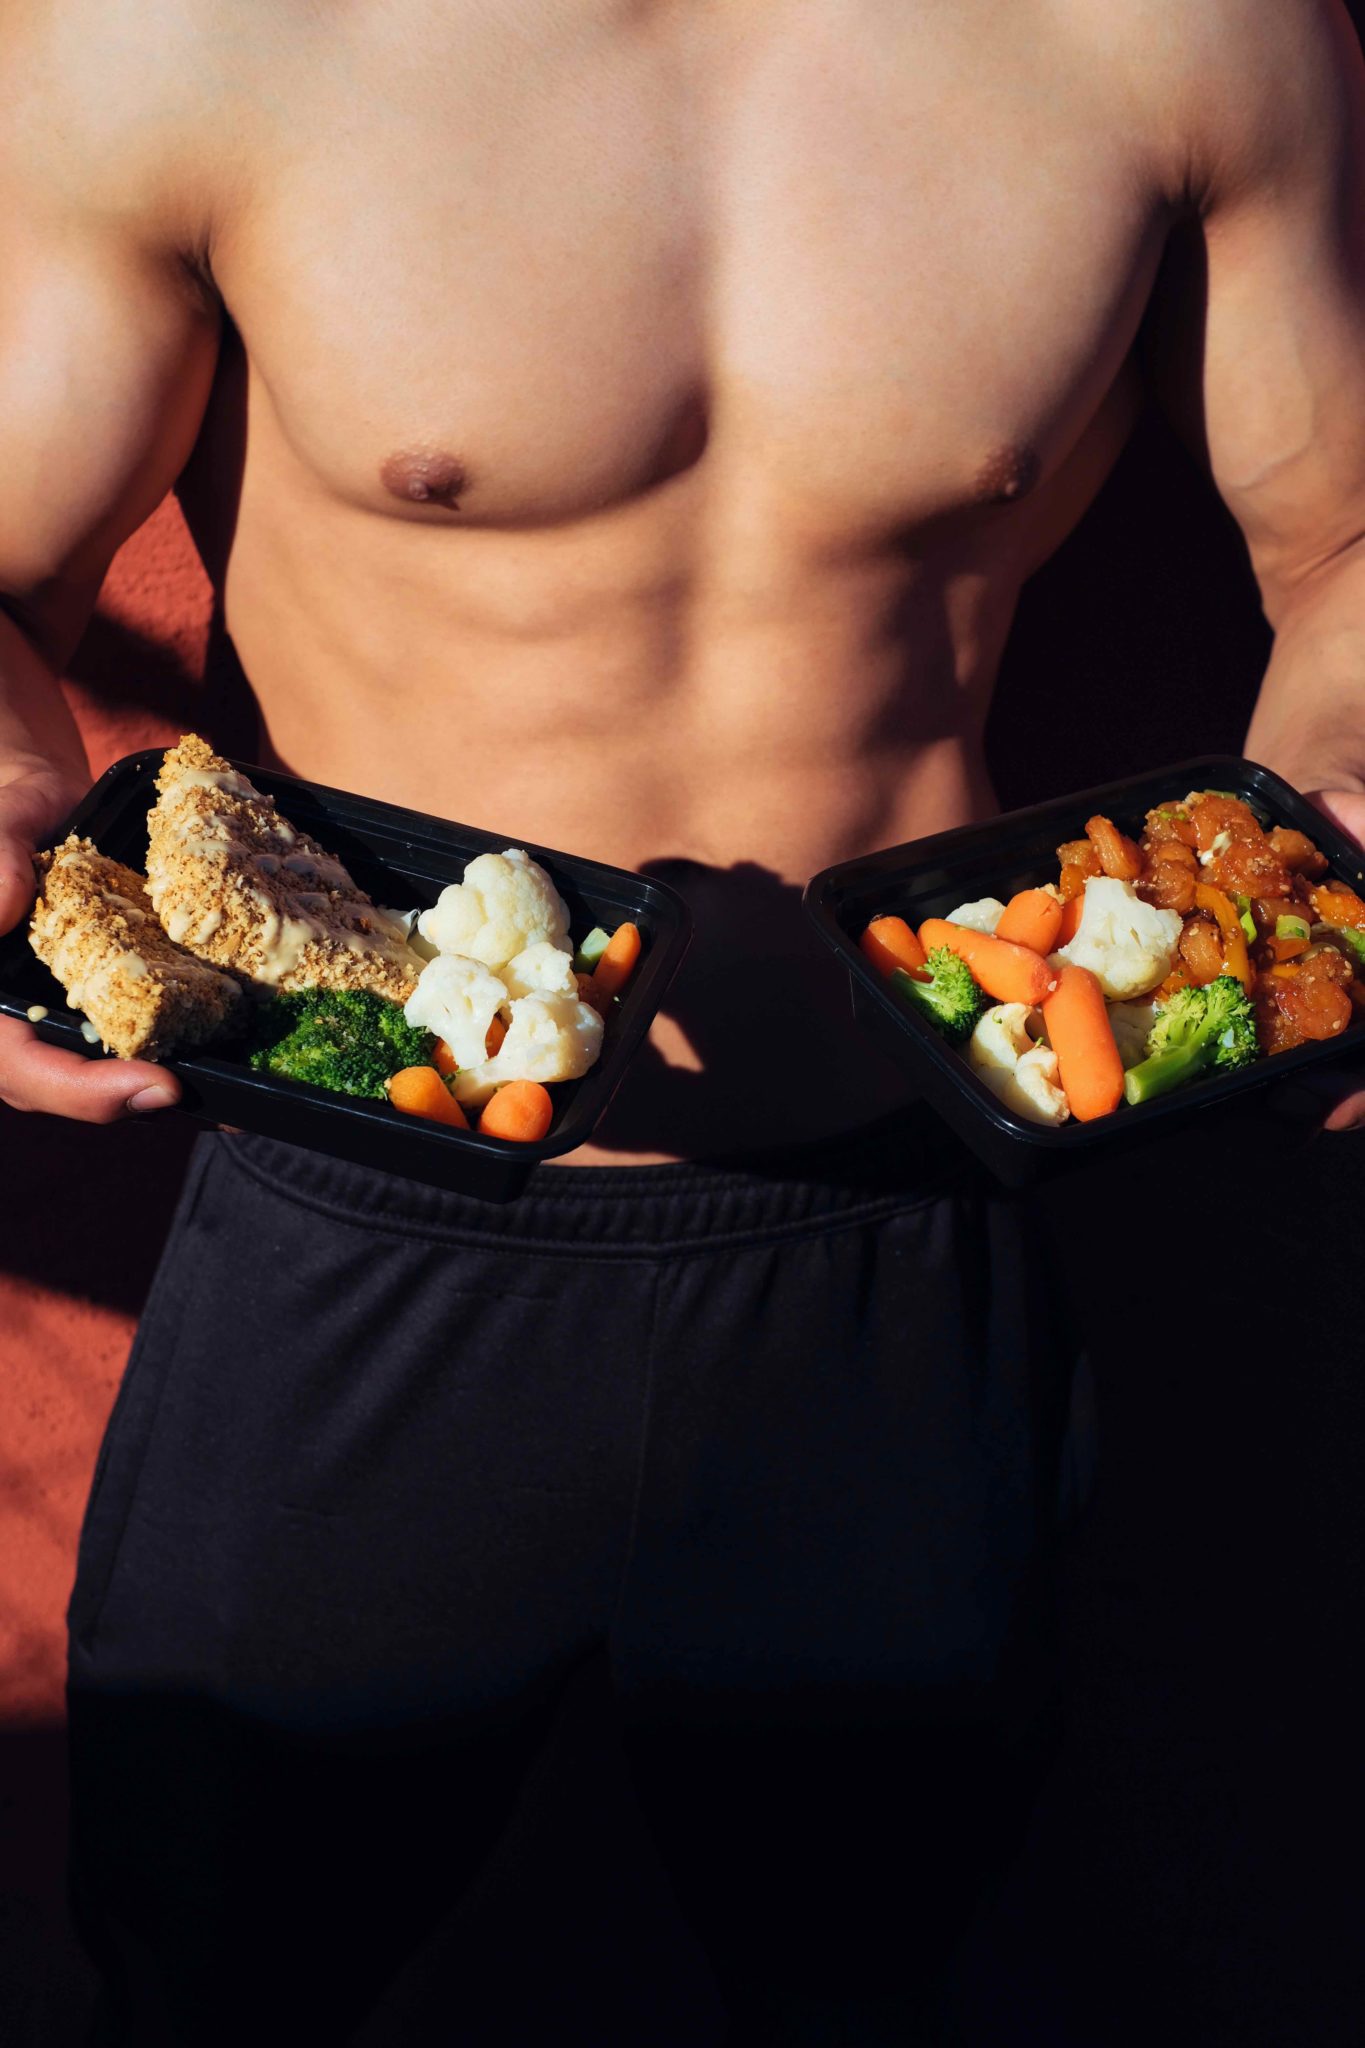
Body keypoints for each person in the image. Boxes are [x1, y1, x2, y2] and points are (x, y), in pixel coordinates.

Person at [4, 0, 1365, 2040]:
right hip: (357, 1219)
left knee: (888, 1984)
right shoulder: (183, 30)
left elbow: (1343, 540)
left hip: (902, 1228)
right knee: (207, 1991)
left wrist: (1341, 835)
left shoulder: (1175, 30)